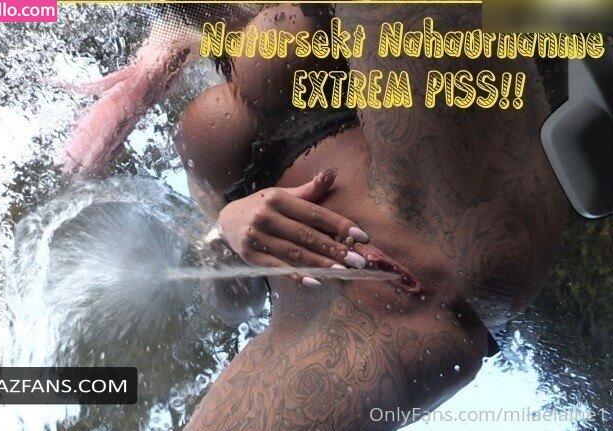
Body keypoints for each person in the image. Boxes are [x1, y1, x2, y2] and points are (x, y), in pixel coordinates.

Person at [64, 4, 568, 429]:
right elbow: (233, 299)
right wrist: (228, 230)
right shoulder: (183, 34)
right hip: (341, 319)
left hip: (441, 210)